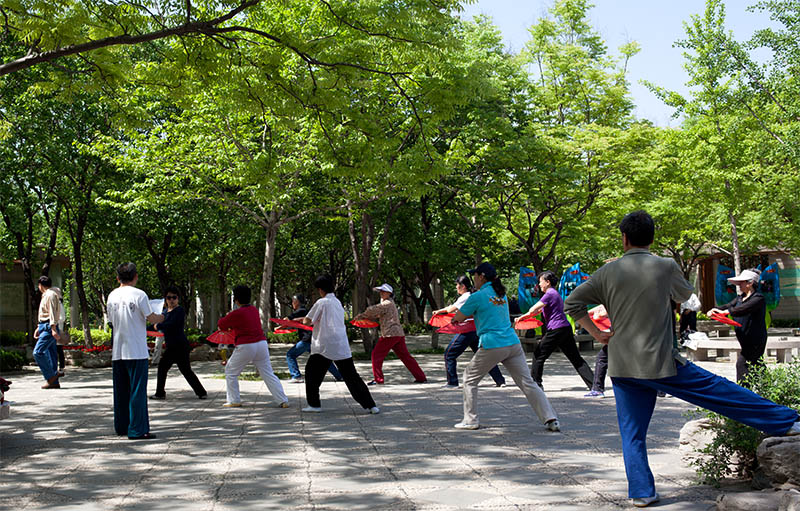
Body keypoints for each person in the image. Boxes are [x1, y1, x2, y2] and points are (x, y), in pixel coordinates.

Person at [564, 210, 800, 508]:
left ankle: (641, 493)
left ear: (623, 238)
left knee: (632, 433)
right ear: (651, 238)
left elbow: (571, 303)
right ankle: (786, 420)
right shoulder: (665, 265)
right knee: (720, 392)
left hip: (622, 364)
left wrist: (597, 334)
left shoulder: (607, 272)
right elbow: (685, 294)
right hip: (660, 361)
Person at [452, 262, 560, 432]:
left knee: (469, 378)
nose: (473, 278)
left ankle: (470, 420)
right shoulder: (500, 294)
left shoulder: (477, 296)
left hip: (492, 344)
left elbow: (458, 317)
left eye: (475, 275)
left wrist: (454, 319)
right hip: (512, 343)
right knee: (528, 382)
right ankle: (551, 418)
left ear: (481, 276)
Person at [300, 274, 379, 414]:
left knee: (312, 374)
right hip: (340, 344)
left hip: (323, 345)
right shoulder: (337, 302)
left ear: (320, 289)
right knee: (352, 377)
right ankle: (371, 405)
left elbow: (308, 321)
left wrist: (299, 320)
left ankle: (314, 404)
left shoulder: (321, 302)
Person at [107, 262, 164, 440]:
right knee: (137, 391)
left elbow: (111, 321)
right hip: (137, 350)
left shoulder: (111, 296)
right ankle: (138, 429)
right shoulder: (140, 295)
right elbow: (150, 317)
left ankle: (122, 426)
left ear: (118, 278)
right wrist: (163, 316)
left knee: (121, 391)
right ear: (135, 276)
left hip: (118, 350)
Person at [517, 270, 594, 391]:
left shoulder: (549, 293)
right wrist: (523, 318)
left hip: (556, 329)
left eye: (540, 282)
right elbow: (536, 312)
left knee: (538, 355)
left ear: (547, 282)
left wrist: (521, 317)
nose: (539, 285)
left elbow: (533, 309)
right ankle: (595, 385)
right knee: (576, 359)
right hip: (564, 329)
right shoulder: (554, 294)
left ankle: (536, 385)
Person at [217, 285, 289, 408]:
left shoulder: (236, 313)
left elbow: (221, 324)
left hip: (246, 345)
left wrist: (229, 315)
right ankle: (282, 400)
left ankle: (234, 400)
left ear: (236, 299)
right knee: (267, 373)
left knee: (230, 371)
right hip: (261, 344)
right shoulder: (254, 310)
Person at [432, 275, 505, 388]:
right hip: (476, 330)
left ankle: (452, 382)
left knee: (449, 354)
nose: (456, 287)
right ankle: (500, 381)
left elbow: (451, 309)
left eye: (457, 285)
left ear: (463, 286)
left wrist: (438, 311)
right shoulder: (473, 295)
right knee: (485, 357)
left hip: (466, 330)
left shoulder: (466, 296)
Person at [353, 283, 427, 385]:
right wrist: (364, 317)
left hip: (390, 334)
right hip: (398, 334)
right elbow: (377, 314)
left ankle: (378, 379)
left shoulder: (387, 303)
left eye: (384, 291)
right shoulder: (389, 303)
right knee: (406, 357)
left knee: (376, 355)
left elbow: (372, 310)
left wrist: (361, 315)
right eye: (380, 291)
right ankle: (421, 377)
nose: (381, 293)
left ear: (389, 293)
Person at [707, 269, 767, 384]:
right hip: (744, 339)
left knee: (743, 364)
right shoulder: (740, 298)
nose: (739, 285)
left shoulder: (758, 298)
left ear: (750, 283)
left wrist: (726, 312)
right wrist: (714, 310)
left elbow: (742, 309)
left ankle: (744, 392)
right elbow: (727, 306)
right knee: (756, 365)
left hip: (755, 339)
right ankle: (763, 389)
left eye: (742, 282)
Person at [150, 286, 207, 400]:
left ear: (178, 299)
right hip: (172, 346)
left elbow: (172, 325)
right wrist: (146, 328)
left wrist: (158, 326)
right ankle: (201, 392)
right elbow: (155, 323)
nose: (171, 300)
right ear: (165, 299)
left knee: (176, 369)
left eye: (174, 297)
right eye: (169, 297)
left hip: (180, 346)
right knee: (175, 369)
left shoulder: (179, 311)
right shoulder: (165, 312)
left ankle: (160, 393)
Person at [285, 294, 343, 383]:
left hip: (306, 340)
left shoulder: (300, 311)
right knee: (323, 359)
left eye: (293, 301)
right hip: (313, 339)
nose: (292, 303)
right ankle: (339, 376)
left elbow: (288, 319)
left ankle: (296, 376)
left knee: (290, 355)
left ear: (296, 302)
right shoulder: (306, 310)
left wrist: (279, 324)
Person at [33, 276, 63, 389]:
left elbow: (52, 313)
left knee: (38, 352)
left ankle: (51, 376)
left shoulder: (50, 295)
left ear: (40, 284)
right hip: (44, 325)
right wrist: (38, 327)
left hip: (48, 327)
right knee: (51, 354)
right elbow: (44, 313)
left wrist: (53, 328)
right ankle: (53, 382)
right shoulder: (47, 295)